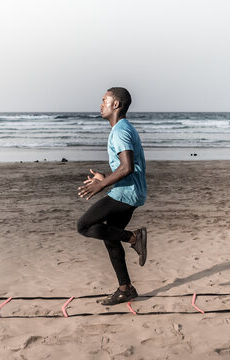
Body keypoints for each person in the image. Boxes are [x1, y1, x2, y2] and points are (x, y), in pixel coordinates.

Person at [76, 87, 147, 305]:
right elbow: (126, 167)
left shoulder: (120, 131)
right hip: (129, 191)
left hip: (125, 194)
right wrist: (104, 177)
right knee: (110, 237)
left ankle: (134, 238)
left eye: (104, 100)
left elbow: (126, 168)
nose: (100, 104)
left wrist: (101, 186)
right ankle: (125, 289)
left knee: (84, 226)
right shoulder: (122, 128)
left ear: (116, 105)